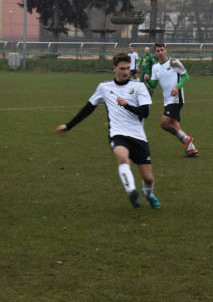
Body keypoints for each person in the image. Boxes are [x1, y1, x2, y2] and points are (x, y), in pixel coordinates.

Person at [56, 52, 160, 209]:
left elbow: (145, 113)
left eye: (128, 68)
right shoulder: (104, 88)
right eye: (122, 68)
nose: (126, 72)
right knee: (123, 159)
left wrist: (127, 105)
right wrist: (68, 126)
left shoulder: (138, 87)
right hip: (118, 134)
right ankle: (131, 191)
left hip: (138, 136)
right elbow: (88, 109)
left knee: (149, 178)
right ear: (114, 68)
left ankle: (147, 193)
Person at [147, 42, 199, 157]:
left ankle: (187, 139)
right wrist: (147, 80)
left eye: (162, 50)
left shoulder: (174, 62)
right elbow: (153, 85)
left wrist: (177, 87)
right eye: (157, 51)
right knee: (175, 126)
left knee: (164, 123)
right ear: (155, 53)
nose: (160, 53)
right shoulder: (155, 67)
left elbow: (186, 76)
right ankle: (191, 149)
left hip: (176, 99)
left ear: (166, 50)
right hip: (167, 101)